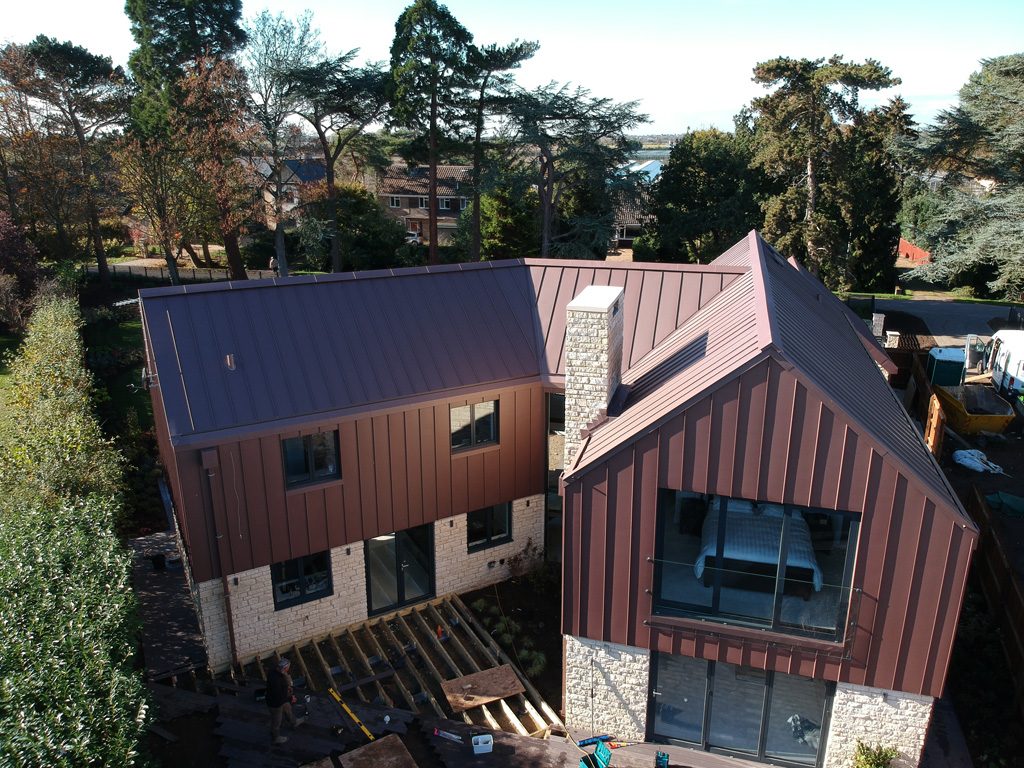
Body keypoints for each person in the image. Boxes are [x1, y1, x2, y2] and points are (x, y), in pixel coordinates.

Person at [266, 657, 304, 744]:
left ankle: (294, 722)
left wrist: (285, 675)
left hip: (281, 700)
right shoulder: (277, 680)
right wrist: (290, 698)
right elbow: (279, 695)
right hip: (275, 704)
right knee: (276, 721)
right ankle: (275, 737)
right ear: (285, 668)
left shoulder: (275, 671)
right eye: (288, 668)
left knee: (288, 709)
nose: (288, 669)